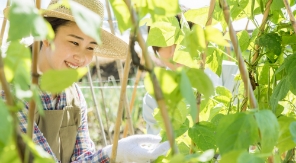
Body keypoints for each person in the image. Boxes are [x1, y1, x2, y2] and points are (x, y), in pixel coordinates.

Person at [4, 0, 169, 162]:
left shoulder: (73, 94)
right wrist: (113, 154)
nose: (82, 57)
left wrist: (114, 154)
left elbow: (83, 158)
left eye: (91, 47)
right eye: (74, 42)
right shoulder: (10, 91)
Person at [143, 9, 239, 135]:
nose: (175, 51)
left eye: (181, 39)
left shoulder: (233, 74)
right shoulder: (154, 97)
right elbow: (158, 147)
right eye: (165, 41)